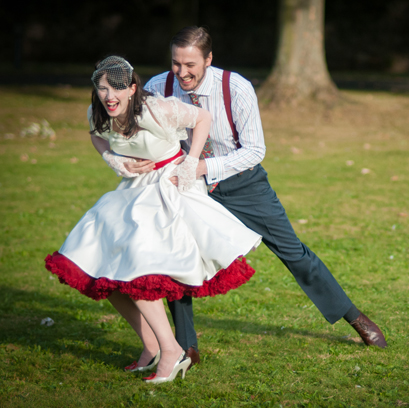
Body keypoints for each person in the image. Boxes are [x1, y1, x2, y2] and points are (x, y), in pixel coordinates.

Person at [126, 26, 387, 365]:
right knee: (177, 257)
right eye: (176, 63)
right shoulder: (160, 87)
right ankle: (186, 346)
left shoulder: (236, 88)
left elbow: (254, 150)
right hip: (187, 188)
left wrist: (202, 168)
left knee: (293, 252)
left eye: (190, 64)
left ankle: (355, 317)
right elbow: (147, 134)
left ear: (208, 59)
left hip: (242, 183)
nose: (182, 72)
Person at [45, 56, 262, 384]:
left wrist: (190, 162)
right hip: (131, 192)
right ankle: (151, 346)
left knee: (138, 266)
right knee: (100, 269)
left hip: (168, 188)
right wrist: (113, 159)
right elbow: (98, 136)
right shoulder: (98, 111)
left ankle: (172, 350)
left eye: (116, 87)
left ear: (132, 88)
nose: (108, 95)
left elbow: (203, 117)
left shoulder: (158, 109)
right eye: (102, 88)